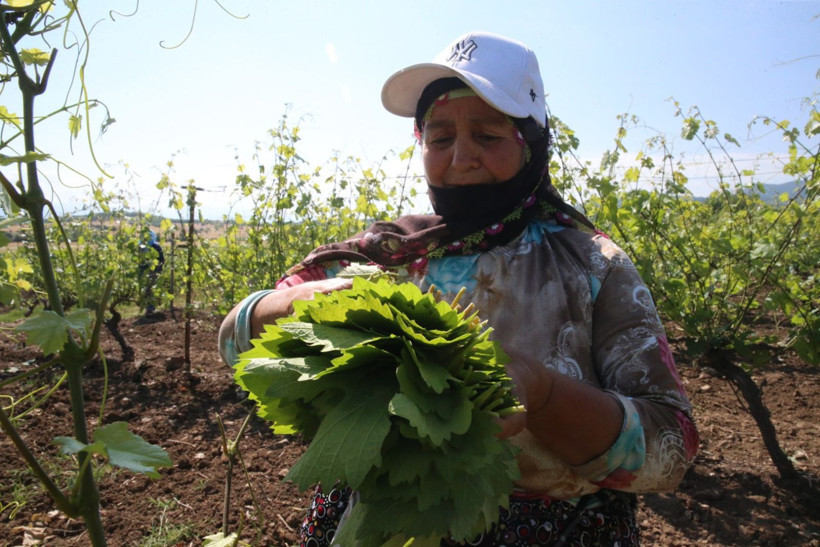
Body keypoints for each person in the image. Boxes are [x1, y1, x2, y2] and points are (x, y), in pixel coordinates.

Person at [219, 31, 698, 546]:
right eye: (441, 137)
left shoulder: (591, 266)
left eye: (488, 136)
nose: (461, 157)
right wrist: (291, 304)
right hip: (375, 521)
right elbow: (234, 343)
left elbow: (670, 449)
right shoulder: (382, 255)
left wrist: (543, 393)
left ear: (531, 143)